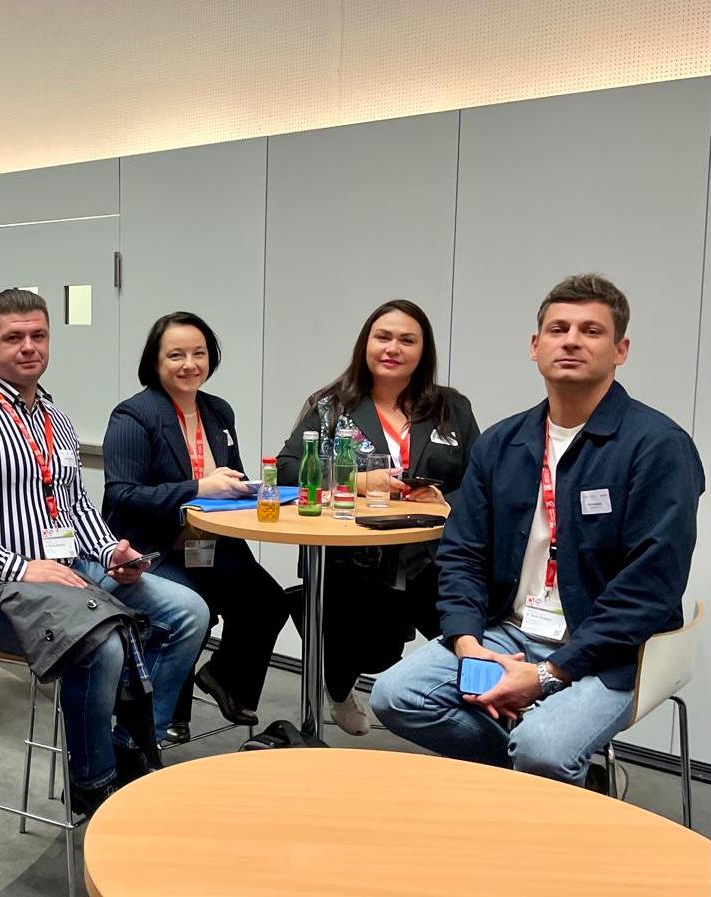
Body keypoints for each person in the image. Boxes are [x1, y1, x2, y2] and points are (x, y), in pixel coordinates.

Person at [372, 274, 703, 785]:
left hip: (616, 649)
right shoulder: (502, 443)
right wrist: (467, 642)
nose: (571, 341)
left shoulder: (658, 447)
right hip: (510, 632)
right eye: (558, 329)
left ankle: (542, 779)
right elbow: (462, 554)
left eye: (591, 331)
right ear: (535, 346)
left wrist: (549, 675)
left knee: (543, 747)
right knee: (396, 696)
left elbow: (651, 587)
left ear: (621, 350)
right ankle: (549, 783)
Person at [0, 289, 210, 816]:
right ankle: (93, 785)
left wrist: (110, 550)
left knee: (188, 612)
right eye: (13, 337)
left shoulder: (55, 417)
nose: (28, 346)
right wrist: (19, 565)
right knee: (101, 644)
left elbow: (74, 506)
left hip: (70, 572)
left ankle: (128, 748)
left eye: (38, 335)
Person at [275, 299, 479, 735]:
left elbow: (481, 481)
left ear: (423, 350)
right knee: (375, 652)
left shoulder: (451, 408)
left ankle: (486, 732)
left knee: (466, 636)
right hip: (353, 561)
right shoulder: (332, 406)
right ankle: (337, 684)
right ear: (365, 344)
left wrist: (443, 498)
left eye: (407, 340)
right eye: (383, 337)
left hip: (432, 557)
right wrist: (359, 481)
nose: (393, 348)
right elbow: (290, 469)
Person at [103, 312, 288, 742]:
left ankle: (225, 679)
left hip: (209, 544)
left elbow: (230, 476)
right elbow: (122, 495)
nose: (189, 364)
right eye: (176, 355)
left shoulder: (218, 410)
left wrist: (247, 489)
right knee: (192, 611)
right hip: (152, 548)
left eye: (198, 353)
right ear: (155, 361)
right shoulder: (133, 415)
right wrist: (198, 487)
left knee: (268, 602)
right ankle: (164, 718)